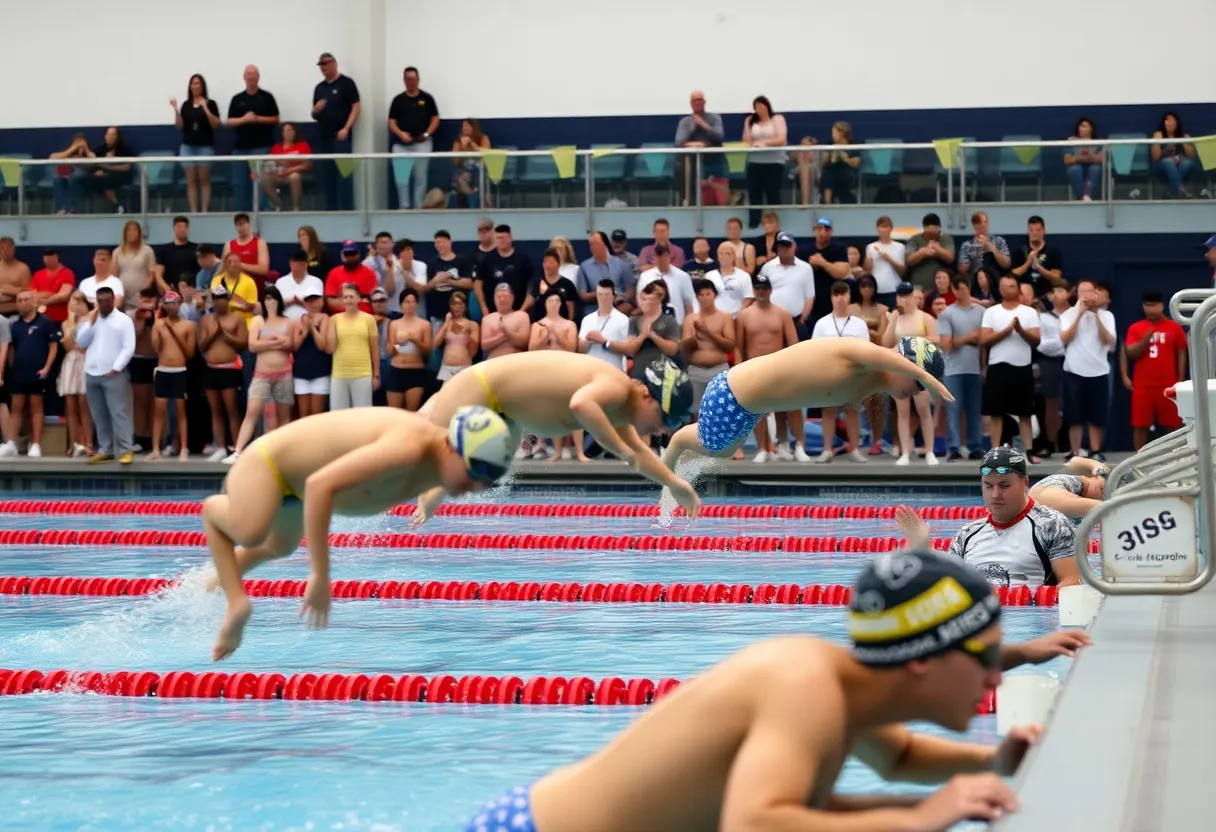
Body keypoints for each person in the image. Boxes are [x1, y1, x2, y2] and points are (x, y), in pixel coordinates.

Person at [465, 547, 1091, 832]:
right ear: (924, 661)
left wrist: (994, 762)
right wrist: (921, 816)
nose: (996, 676)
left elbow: (899, 759)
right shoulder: (806, 687)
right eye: (985, 656)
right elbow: (756, 822)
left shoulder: (845, 691)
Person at [204, 405, 514, 661]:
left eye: (488, 479)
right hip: (266, 466)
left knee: (280, 547)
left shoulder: (440, 463)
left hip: (293, 490)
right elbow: (320, 486)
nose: (476, 485)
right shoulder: (408, 446)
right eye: (475, 471)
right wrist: (320, 575)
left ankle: (208, 586)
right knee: (251, 533)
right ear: (450, 446)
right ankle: (235, 599)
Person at [411, 352, 699, 525]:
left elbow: (641, 455)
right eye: (666, 419)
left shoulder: (621, 410)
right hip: (477, 389)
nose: (663, 430)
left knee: (484, 469)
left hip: (501, 411)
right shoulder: (616, 387)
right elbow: (581, 404)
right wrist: (623, 451)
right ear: (647, 396)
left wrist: (674, 483)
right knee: (424, 465)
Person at [663, 334, 950, 471]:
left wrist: (921, 376)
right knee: (716, 448)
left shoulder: (874, 382)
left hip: (749, 408)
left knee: (723, 452)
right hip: (730, 395)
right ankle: (675, 444)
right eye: (918, 384)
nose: (918, 391)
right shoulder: (863, 356)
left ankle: (678, 460)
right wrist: (926, 377)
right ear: (907, 367)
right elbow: (889, 356)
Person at [896, 446, 1080, 589]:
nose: (995, 494)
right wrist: (923, 549)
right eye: (988, 486)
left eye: (1004, 486)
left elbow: (1072, 586)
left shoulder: (1053, 525)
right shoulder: (967, 534)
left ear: (1025, 482)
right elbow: (946, 586)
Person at [226, 286, 298, 463]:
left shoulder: (288, 322)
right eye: (267, 299)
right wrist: (275, 342)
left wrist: (269, 341)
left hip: (284, 375)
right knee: (252, 413)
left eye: (273, 299)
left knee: (284, 417)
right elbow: (252, 346)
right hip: (262, 375)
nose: (270, 302)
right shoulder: (257, 321)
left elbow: (292, 345)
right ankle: (238, 450)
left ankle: (285, 454)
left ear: (279, 301)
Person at [883, 283, 940, 466]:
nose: (904, 299)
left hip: (919, 368)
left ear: (914, 297)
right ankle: (905, 452)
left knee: (923, 409)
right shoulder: (894, 318)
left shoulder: (925, 317)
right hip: (900, 369)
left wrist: (913, 341)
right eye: (901, 296)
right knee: (903, 412)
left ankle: (930, 450)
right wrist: (893, 321)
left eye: (908, 296)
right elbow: (885, 344)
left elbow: (936, 339)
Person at [0, 290, 61, 458]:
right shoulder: (14, 325)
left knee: (36, 408)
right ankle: (11, 443)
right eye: (19, 300)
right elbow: (11, 349)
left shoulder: (46, 322)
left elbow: (53, 347)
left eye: (26, 299)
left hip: (38, 372)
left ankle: (35, 445)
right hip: (19, 373)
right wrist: (12, 368)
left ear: (34, 301)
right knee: (16, 408)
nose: (23, 303)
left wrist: (46, 368)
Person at [199, 285, 249, 461]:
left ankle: (237, 447)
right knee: (215, 410)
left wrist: (225, 336)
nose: (219, 302)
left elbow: (244, 343)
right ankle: (220, 447)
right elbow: (201, 346)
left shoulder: (237, 319)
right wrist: (212, 335)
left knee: (231, 409)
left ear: (227, 300)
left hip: (230, 369)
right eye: (216, 299)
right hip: (211, 368)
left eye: (222, 299)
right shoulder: (206, 320)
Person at [147, 292, 197, 461]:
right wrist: (157, 329)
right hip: (162, 370)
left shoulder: (188, 326)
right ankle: (156, 449)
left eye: (173, 303)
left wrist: (173, 331)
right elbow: (156, 349)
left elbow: (190, 353)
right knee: (159, 411)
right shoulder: (159, 324)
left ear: (179, 304)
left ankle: (183, 448)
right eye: (167, 303)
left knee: (180, 410)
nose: (170, 307)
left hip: (179, 371)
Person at [682, 279, 735, 419]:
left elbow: (730, 346)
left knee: (722, 411)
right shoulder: (690, 319)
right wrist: (695, 337)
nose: (705, 297)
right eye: (701, 295)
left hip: (719, 369)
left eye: (708, 294)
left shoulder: (725, 317)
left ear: (715, 295)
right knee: (697, 413)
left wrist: (708, 332)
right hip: (696, 370)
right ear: (697, 297)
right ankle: (698, 434)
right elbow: (685, 350)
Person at [328, 283, 379, 409]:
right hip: (339, 374)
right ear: (341, 300)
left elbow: (375, 348)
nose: (348, 300)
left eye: (351, 297)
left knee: (363, 415)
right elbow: (330, 348)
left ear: (358, 299)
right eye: (345, 297)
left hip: (362, 374)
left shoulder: (369, 319)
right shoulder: (334, 319)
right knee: (339, 415)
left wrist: (376, 375)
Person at [58, 291, 94, 458]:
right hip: (71, 362)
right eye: (74, 302)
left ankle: (89, 443)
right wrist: (71, 326)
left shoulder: (92, 321)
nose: (77, 306)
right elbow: (68, 346)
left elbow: (86, 346)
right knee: (70, 405)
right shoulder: (66, 323)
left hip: (86, 361)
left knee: (84, 404)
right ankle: (74, 443)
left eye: (80, 303)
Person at [292, 289, 333, 419]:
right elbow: (294, 347)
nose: (313, 303)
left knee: (317, 414)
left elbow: (322, 345)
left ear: (321, 301)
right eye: (309, 300)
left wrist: (312, 329)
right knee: (303, 413)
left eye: (315, 299)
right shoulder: (298, 320)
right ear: (305, 303)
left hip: (320, 371)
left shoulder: (325, 318)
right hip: (301, 372)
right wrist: (304, 332)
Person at [1029, 456, 1110, 519]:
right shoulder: (1048, 493)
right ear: (1094, 477)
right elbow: (1076, 461)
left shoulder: (1074, 479)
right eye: (1101, 489)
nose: (1104, 490)